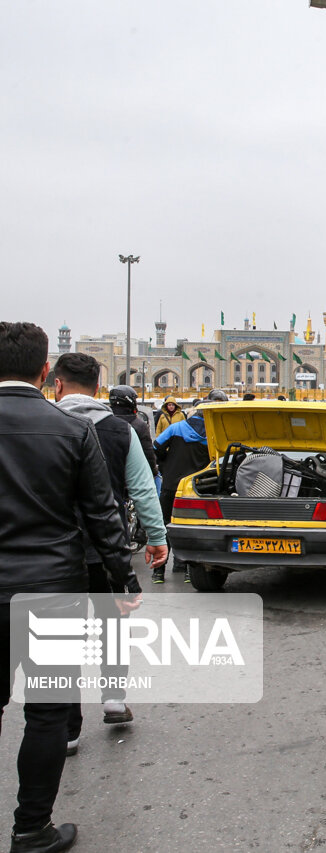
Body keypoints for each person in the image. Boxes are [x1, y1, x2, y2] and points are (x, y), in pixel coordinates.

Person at [0, 322, 142, 853]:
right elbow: (102, 515)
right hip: (50, 589)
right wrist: (123, 580)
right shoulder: (69, 430)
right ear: (43, 372)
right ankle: (31, 828)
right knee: (46, 713)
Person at [52, 354, 168, 741]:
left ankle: (67, 728)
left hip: (57, 549)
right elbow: (143, 487)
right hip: (107, 546)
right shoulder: (121, 431)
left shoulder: (47, 425)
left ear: (57, 385)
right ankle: (113, 700)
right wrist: (156, 537)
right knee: (110, 626)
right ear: (99, 387)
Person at [153, 404, 212, 583]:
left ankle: (159, 572)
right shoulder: (212, 433)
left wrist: (166, 465)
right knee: (193, 527)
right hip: (196, 488)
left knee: (165, 526)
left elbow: (156, 447)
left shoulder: (177, 427)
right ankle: (188, 571)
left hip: (171, 484)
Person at [108, 385, 159, 478]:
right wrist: (154, 471)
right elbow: (148, 455)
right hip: (133, 477)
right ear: (130, 401)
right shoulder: (138, 425)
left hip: (108, 476)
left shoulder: (104, 421)